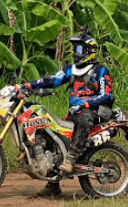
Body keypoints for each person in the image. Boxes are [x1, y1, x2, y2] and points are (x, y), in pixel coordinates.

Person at [18, 29, 113, 197]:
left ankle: (71, 159)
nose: (75, 54)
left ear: (90, 51)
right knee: (51, 134)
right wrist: (28, 86)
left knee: (83, 119)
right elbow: (52, 80)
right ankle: (53, 184)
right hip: (73, 114)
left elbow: (107, 95)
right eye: (74, 49)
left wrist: (85, 103)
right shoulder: (70, 69)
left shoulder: (100, 71)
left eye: (79, 49)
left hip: (93, 112)